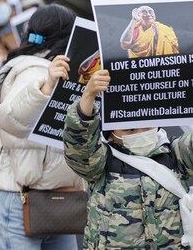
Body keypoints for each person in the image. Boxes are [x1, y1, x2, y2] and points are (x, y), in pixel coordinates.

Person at [0, 3, 83, 249]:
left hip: (58, 200)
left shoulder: (65, 71)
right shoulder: (33, 70)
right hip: (20, 200)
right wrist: (45, 88)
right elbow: (9, 119)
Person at [64, 68, 193, 248]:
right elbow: (79, 147)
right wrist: (88, 96)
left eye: (146, 125)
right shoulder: (101, 160)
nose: (140, 132)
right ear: (109, 134)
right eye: (129, 129)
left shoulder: (177, 152)